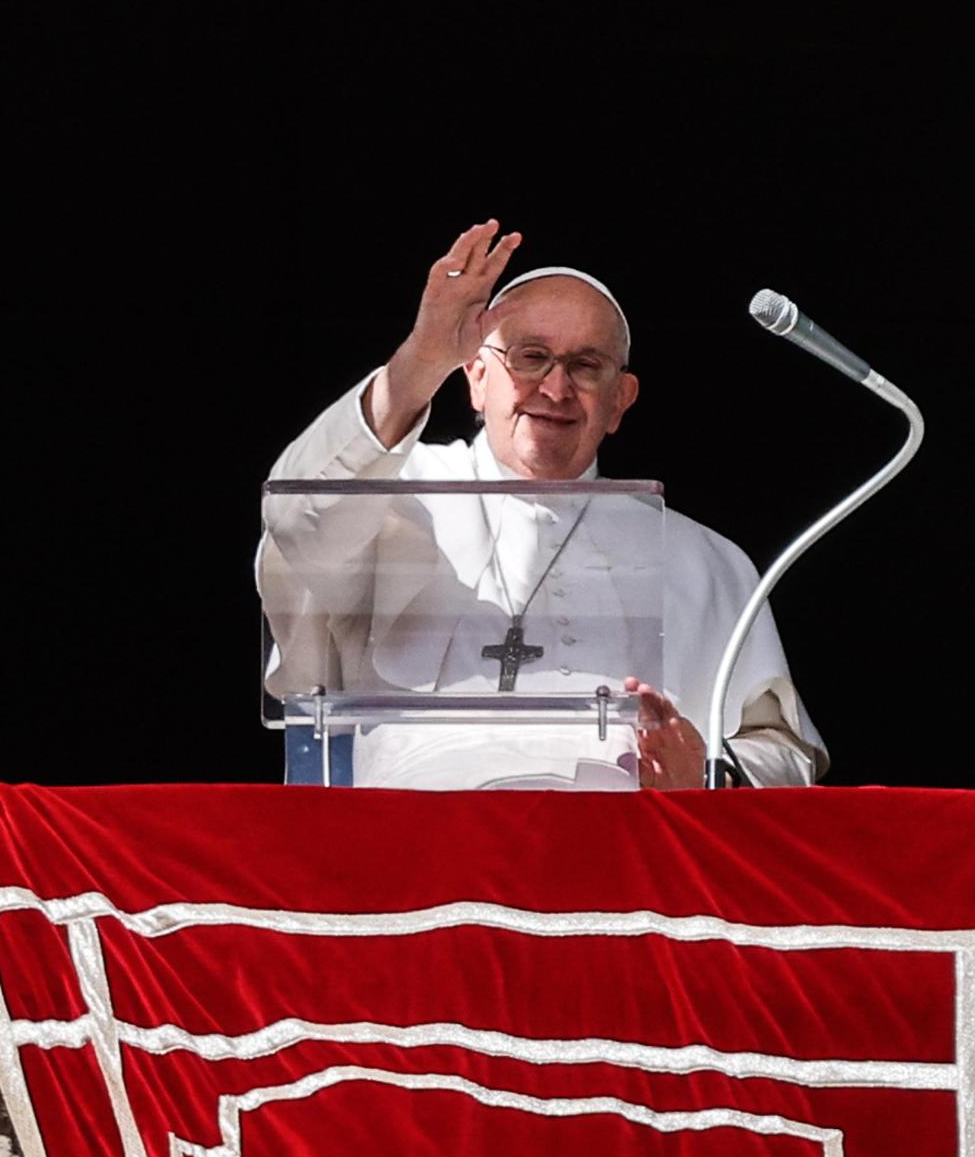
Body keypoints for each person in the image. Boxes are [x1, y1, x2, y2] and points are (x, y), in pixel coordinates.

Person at [259, 220, 824, 790]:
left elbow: (784, 757)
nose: (555, 389)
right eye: (530, 357)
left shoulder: (704, 559)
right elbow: (295, 519)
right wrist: (420, 361)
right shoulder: (395, 492)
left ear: (620, 401)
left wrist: (707, 775)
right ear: (476, 376)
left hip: (615, 856)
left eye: (585, 366)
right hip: (418, 847)